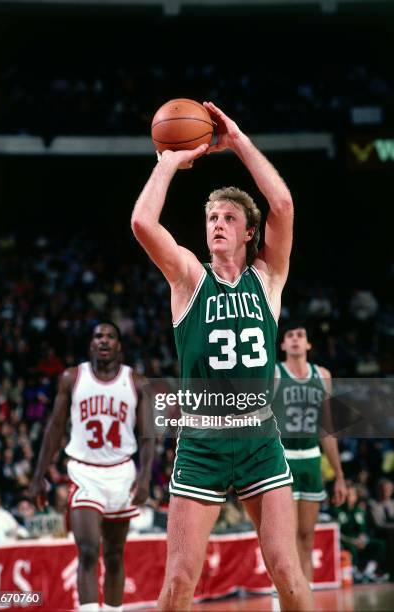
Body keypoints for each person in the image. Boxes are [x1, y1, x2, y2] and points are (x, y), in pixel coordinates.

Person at [132, 101, 313, 610]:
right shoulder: (189, 277)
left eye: (228, 217)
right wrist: (167, 163)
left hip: (259, 437)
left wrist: (237, 141)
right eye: (211, 216)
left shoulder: (267, 277)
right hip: (202, 440)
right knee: (178, 583)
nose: (216, 223)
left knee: (287, 570)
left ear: (248, 231)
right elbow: (143, 223)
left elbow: (283, 205)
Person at [30, 321, 154, 612]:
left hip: (122, 473)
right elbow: (55, 428)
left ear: (119, 346)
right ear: (91, 344)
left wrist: (146, 477)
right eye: (99, 336)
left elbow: (148, 435)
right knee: (87, 551)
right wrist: (38, 476)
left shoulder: (136, 382)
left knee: (114, 555)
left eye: (111, 336)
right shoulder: (72, 377)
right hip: (85, 473)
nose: (104, 341)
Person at [273, 321, 347, 583]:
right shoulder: (275, 373)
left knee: (307, 537)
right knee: (287, 539)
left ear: (308, 344)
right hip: (284, 462)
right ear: (282, 344)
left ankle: (306, 599)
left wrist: (339, 475)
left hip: (312, 460)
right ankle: (285, 600)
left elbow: (328, 429)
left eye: (300, 335)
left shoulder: (323, 375)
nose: (295, 339)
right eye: (290, 335)